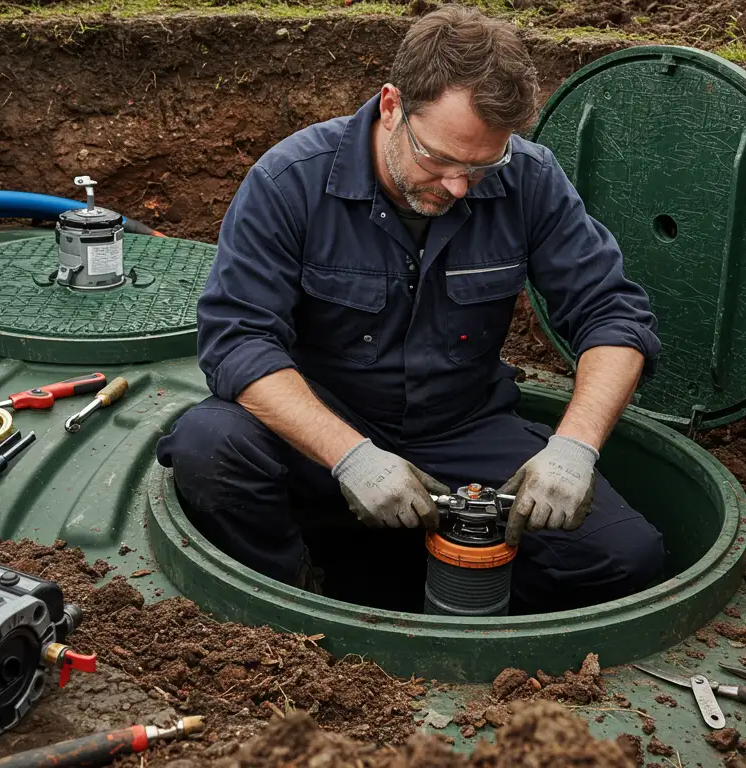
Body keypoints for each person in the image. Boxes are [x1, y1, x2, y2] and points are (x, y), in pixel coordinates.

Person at [154, 5, 664, 614]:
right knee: (209, 447)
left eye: (481, 166)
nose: (456, 187)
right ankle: (299, 606)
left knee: (626, 556)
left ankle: (451, 611)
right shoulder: (290, 179)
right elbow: (237, 343)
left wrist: (575, 447)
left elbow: (612, 313)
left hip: (462, 430)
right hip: (321, 426)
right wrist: (351, 455)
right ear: (392, 105)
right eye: (438, 159)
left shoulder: (529, 179)